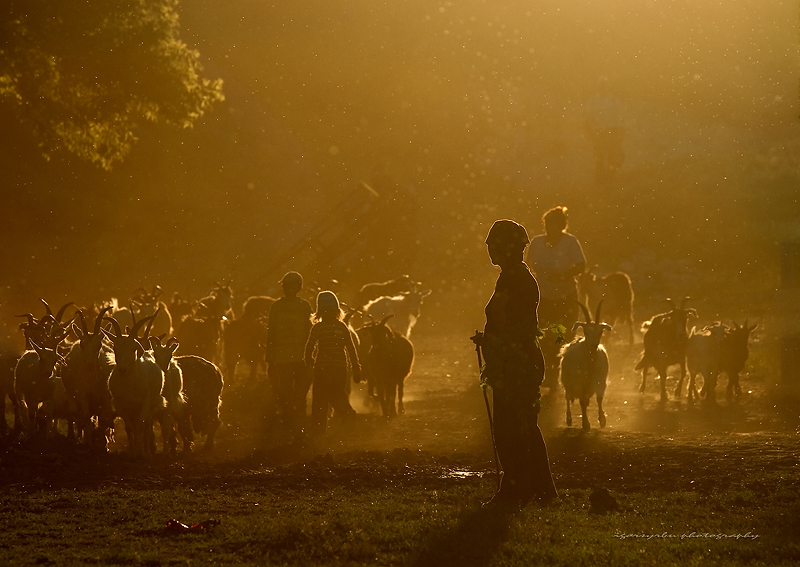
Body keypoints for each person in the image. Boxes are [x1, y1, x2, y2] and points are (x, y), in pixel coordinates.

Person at [472, 219, 558, 504]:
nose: (489, 251)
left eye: (493, 245)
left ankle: (516, 488)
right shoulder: (513, 276)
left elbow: (512, 322)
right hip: (517, 360)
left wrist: (497, 339)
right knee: (523, 428)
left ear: (506, 248)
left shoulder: (515, 278)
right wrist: (490, 338)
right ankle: (539, 489)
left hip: (517, 364)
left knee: (512, 429)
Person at [527, 206, 586, 388]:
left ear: (561, 226)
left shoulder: (570, 242)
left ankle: (565, 373)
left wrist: (562, 276)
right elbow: (528, 264)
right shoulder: (537, 243)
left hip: (566, 295)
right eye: (546, 224)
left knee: (565, 335)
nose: (548, 228)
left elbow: (581, 266)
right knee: (543, 335)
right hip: (543, 295)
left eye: (552, 225)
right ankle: (547, 373)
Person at [304, 291, 361, 435]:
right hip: (339, 368)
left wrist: (308, 359)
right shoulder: (342, 327)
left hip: (322, 368)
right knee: (337, 394)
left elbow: (309, 346)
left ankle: (319, 430)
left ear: (319, 311)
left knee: (320, 398)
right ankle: (347, 415)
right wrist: (356, 368)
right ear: (337, 310)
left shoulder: (317, 328)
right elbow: (351, 348)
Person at [265, 271, 314, 430]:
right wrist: (270, 358)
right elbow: (271, 332)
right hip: (286, 358)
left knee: (296, 392)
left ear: (299, 287)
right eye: (287, 286)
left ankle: (295, 420)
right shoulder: (283, 306)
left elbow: (309, 332)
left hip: (296, 357)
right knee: (289, 392)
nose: (289, 289)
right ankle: (292, 420)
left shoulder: (285, 306)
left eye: (291, 286)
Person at [584, 77, 625, 184]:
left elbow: (619, 117)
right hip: (599, 133)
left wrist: (619, 132)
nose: (603, 87)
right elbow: (588, 118)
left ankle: (610, 179)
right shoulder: (593, 101)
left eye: (605, 85)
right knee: (601, 158)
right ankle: (601, 182)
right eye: (602, 85)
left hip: (612, 132)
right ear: (598, 87)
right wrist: (591, 133)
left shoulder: (613, 100)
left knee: (614, 156)